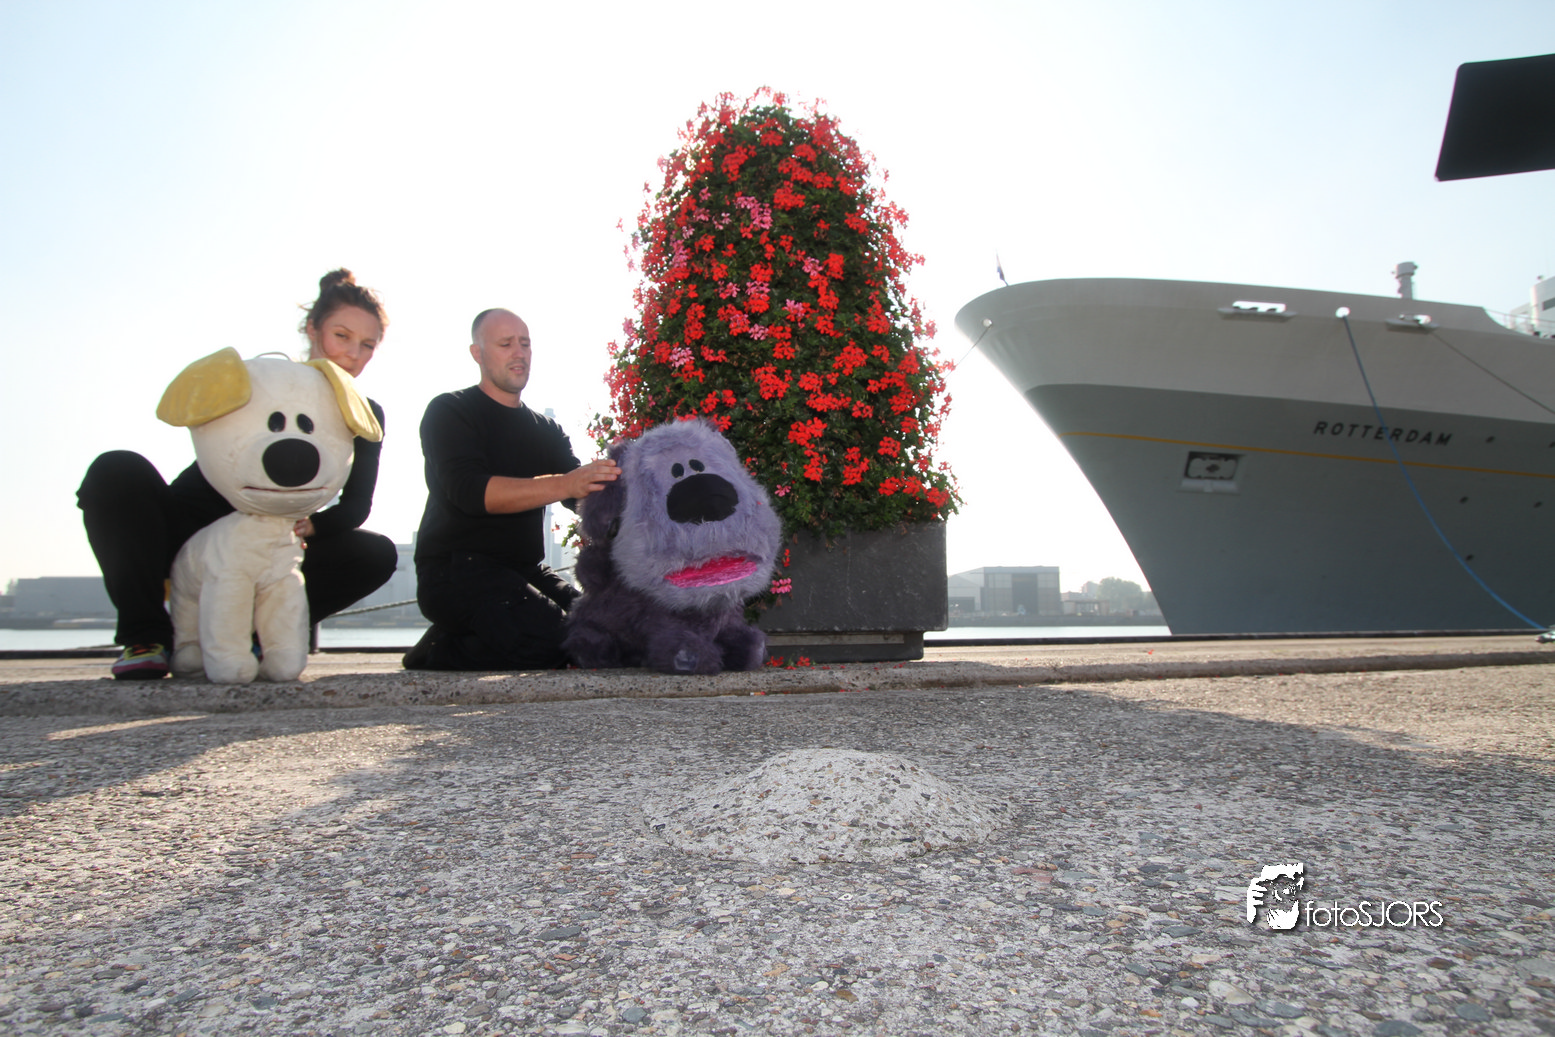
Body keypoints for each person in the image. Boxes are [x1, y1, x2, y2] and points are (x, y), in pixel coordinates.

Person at [77, 269, 398, 679]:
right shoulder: (256, 380)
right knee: (116, 469)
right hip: (192, 530)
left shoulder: (365, 412)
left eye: (367, 344)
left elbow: (356, 506)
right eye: (342, 336)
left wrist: (312, 526)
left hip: (270, 543)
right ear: (312, 329)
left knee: (375, 553)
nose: (353, 353)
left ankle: (257, 632)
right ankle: (147, 637)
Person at [404, 308, 619, 670]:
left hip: (525, 571)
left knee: (606, 633)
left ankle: (481, 633)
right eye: (505, 344)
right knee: (558, 644)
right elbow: (471, 492)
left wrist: (627, 494)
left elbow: (579, 494)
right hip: (455, 572)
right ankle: (437, 649)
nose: (519, 353)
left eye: (525, 344)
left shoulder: (546, 429)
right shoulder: (450, 411)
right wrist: (567, 482)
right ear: (477, 353)